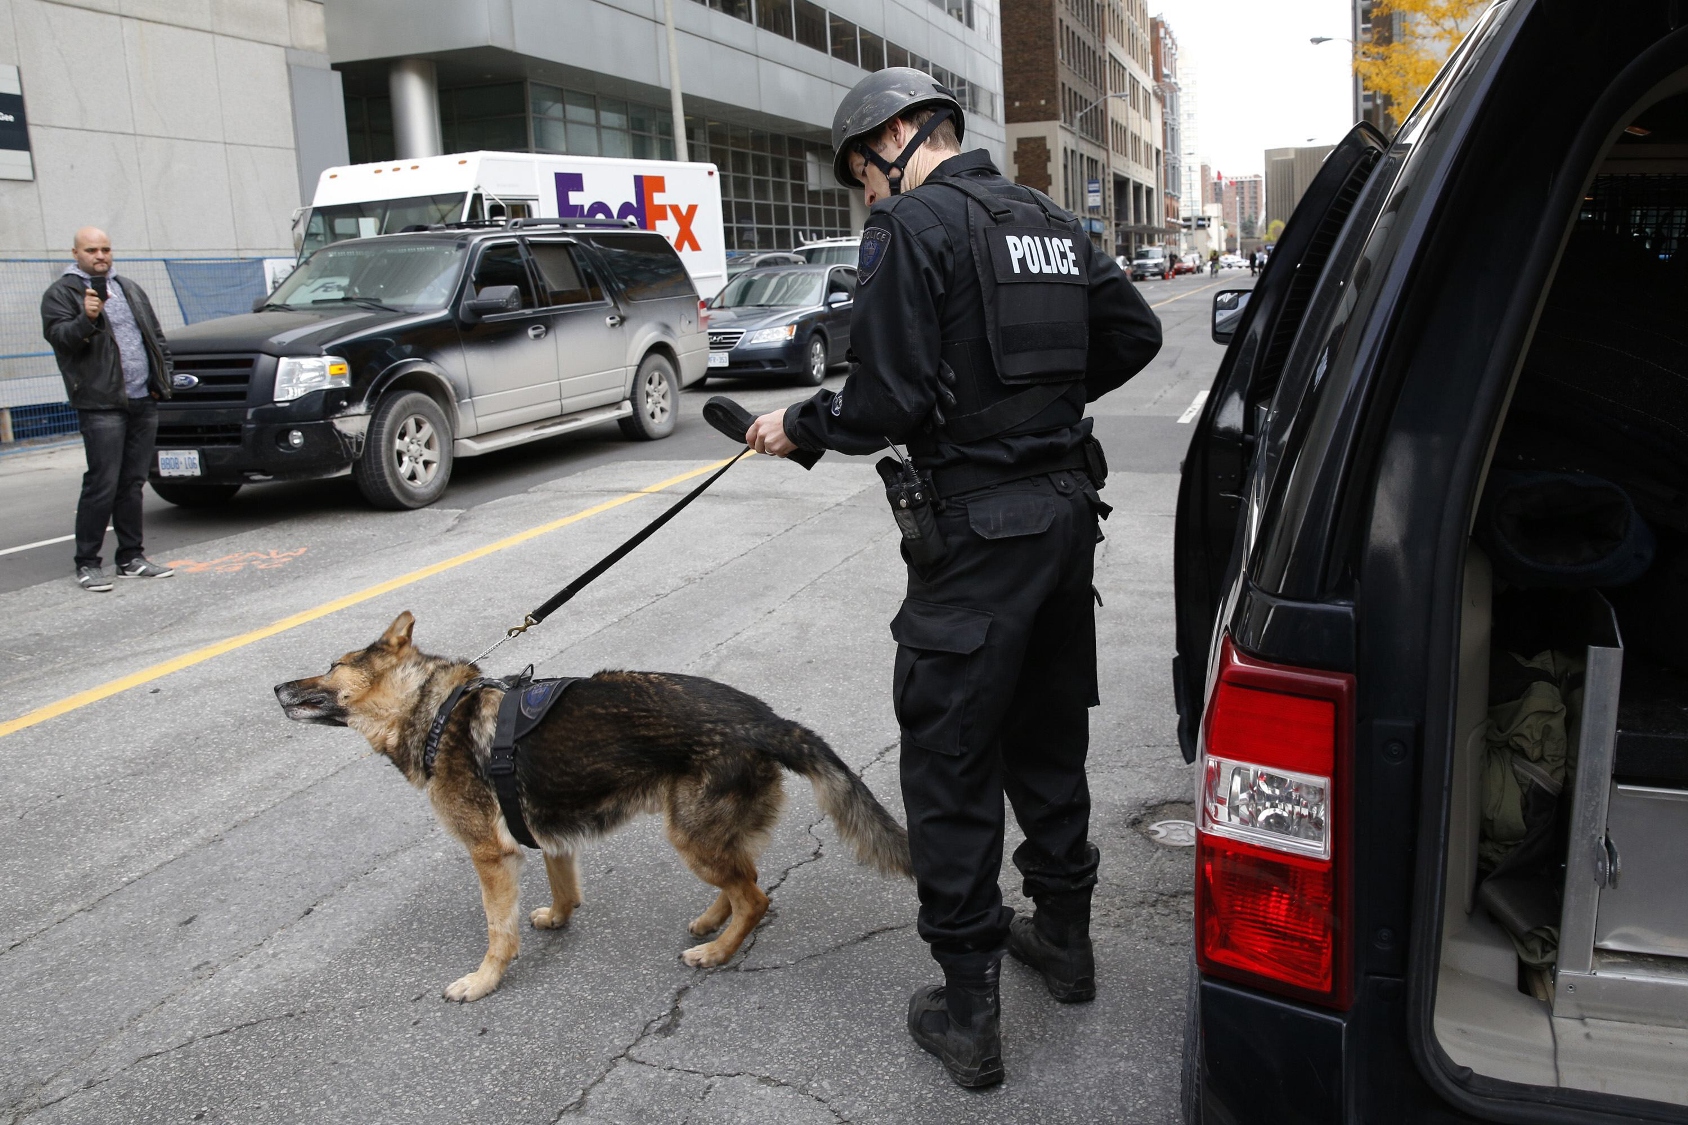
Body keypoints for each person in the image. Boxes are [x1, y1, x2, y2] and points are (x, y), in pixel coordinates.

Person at [744, 68, 1161, 1087]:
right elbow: (1134, 333)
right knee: (1045, 734)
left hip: (977, 534)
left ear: (895, 136)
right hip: (1065, 520)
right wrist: (1032, 405)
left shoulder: (913, 227)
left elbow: (881, 398)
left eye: (860, 173)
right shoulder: (1048, 220)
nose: (865, 194)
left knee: (948, 757)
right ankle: (1063, 940)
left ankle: (967, 1008)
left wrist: (797, 427)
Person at [41, 228, 176, 591]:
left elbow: (154, 337)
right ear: (75, 253)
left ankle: (131, 557)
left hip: (142, 399)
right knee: (103, 483)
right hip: (101, 402)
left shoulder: (128, 287)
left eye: (105, 249)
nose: (100, 255)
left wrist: (162, 378)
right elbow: (60, 339)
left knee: (133, 482)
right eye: (91, 250)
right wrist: (86, 318)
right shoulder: (62, 292)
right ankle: (87, 563)